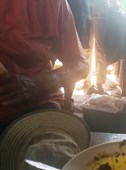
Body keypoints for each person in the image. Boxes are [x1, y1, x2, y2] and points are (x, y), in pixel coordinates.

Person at [0, 0, 89, 135]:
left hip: (39, 102)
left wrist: (37, 84)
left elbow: (80, 64)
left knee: (52, 151)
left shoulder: (55, 3)